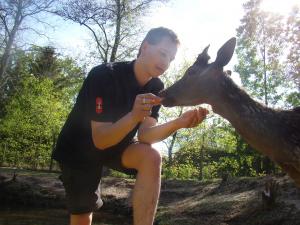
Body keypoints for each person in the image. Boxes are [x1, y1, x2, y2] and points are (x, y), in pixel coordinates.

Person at [52, 27, 209, 225]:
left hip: (117, 145)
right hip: (78, 151)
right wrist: (134, 116)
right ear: (144, 47)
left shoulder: (156, 87)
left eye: (171, 58)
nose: (166, 62)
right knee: (83, 216)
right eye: (163, 53)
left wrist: (179, 123)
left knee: (151, 157)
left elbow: (145, 136)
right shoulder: (103, 76)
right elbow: (100, 140)